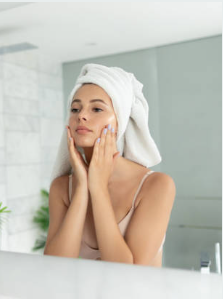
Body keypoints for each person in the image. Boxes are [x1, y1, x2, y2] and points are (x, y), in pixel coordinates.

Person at [44, 64, 176, 266]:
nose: (81, 116)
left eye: (97, 108)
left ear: (120, 120)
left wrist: (98, 189)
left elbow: (128, 273)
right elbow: (54, 267)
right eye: (75, 108)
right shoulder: (62, 189)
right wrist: (81, 189)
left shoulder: (156, 186)